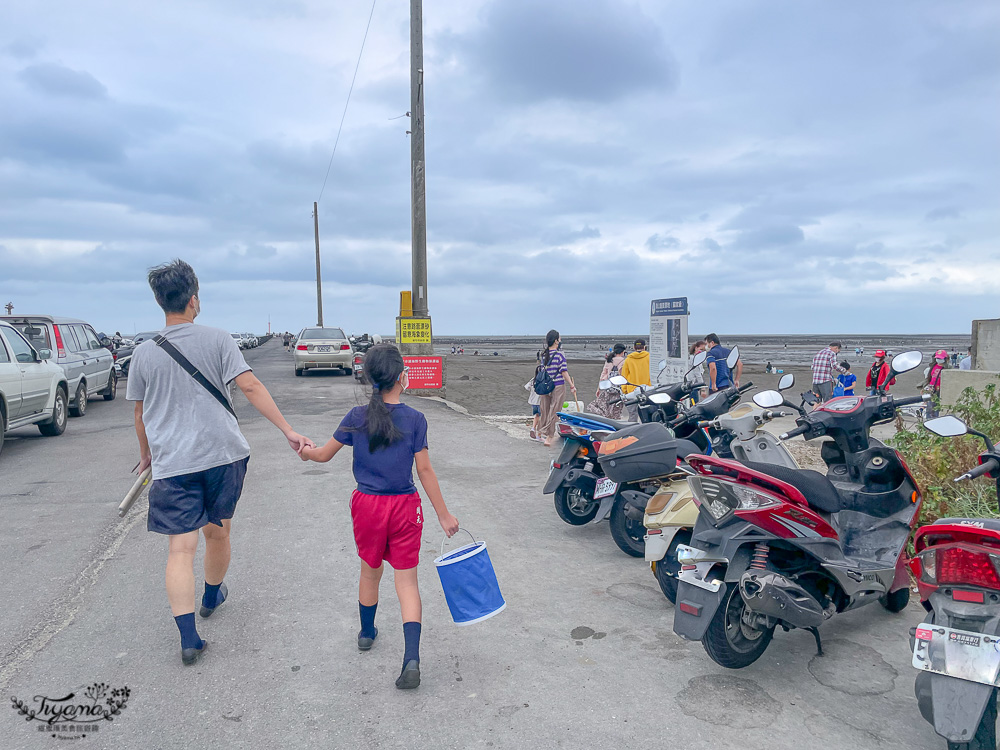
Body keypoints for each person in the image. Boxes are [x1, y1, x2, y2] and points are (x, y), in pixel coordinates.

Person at [126, 260, 313, 666]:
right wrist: (287, 430)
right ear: (194, 299)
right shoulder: (218, 339)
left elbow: (140, 415)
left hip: (172, 461)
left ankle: (189, 638)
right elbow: (249, 385)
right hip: (221, 455)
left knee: (180, 549)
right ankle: (211, 595)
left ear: (160, 302)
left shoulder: (142, 353)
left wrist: (146, 455)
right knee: (219, 533)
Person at [298, 344, 459, 689]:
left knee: (370, 572)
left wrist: (306, 453)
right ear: (402, 377)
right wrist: (444, 515)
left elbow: (324, 455)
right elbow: (425, 470)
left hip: (367, 506)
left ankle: (367, 633)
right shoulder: (416, 419)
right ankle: (411, 659)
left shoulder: (357, 417)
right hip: (405, 507)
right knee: (407, 582)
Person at [538, 330, 576, 446]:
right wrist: (571, 385)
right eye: (559, 338)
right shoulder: (560, 355)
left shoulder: (544, 355)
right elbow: (563, 371)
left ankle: (540, 432)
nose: (560, 340)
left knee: (545, 409)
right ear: (556, 340)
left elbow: (542, 369)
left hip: (545, 385)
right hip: (558, 385)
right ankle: (549, 436)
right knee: (555, 411)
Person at [586, 344, 626, 419]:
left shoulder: (609, 360)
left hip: (607, 388)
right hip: (618, 390)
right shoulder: (624, 361)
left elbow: (603, 375)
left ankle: (606, 419)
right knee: (616, 410)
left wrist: (598, 388)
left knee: (604, 407)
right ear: (623, 352)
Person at [620, 339, 651, 421]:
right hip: (647, 390)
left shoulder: (628, 359)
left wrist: (624, 390)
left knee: (632, 416)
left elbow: (624, 376)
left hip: (631, 391)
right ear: (645, 347)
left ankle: (631, 432)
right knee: (648, 415)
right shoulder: (650, 358)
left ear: (634, 347)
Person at [921, 350, 948, 418]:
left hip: (939, 391)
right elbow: (929, 378)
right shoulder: (933, 366)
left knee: (936, 408)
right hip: (931, 389)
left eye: (940, 358)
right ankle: (928, 420)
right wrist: (924, 388)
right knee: (929, 407)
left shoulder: (947, 368)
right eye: (937, 358)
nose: (938, 360)